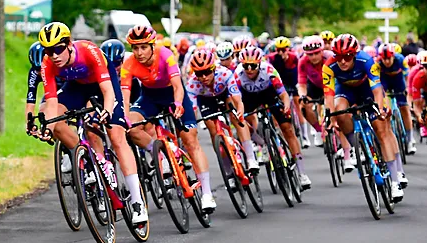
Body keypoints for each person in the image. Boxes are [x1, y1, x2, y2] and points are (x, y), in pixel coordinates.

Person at [37, 22, 148, 223]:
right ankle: (86, 158)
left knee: (116, 135)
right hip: (77, 87)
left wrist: (107, 111)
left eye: (58, 49)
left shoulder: (89, 51)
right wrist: (48, 128)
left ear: (69, 44)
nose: (54, 55)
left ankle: (137, 201)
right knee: (56, 120)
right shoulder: (47, 64)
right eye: (48, 50)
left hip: (103, 84)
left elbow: (107, 91)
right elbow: (52, 104)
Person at [122, 25, 218, 212]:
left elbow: (177, 86)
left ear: (151, 45)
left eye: (143, 47)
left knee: (190, 139)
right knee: (132, 128)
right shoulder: (129, 64)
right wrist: (124, 117)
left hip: (173, 94)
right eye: (135, 48)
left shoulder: (165, 54)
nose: (139, 52)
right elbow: (125, 96)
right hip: (149, 97)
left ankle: (206, 193)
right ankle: (160, 154)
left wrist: (178, 104)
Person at [323, 34, 406, 201]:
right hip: (345, 90)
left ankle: (395, 181)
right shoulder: (329, 66)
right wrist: (330, 118)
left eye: (347, 56)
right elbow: (329, 97)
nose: (343, 61)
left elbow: (377, 89)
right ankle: (356, 147)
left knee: (381, 130)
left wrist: (380, 109)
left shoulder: (366, 60)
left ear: (354, 54)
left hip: (367, 88)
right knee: (339, 111)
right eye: (339, 57)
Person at [235, 46, 312, 189]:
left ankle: (302, 173)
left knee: (287, 129)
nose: (250, 69)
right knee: (240, 123)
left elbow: (283, 94)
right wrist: (240, 114)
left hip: (270, 94)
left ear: (259, 63)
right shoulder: (238, 74)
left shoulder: (269, 71)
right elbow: (238, 100)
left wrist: (287, 106)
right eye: (246, 65)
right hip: (249, 98)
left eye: (253, 65)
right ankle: (261, 143)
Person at [186, 49, 260, 173]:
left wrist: (240, 110)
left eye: (207, 72)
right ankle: (228, 170)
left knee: (236, 117)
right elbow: (192, 111)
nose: (204, 77)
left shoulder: (224, 73)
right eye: (199, 73)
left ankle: (251, 158)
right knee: (213, 130)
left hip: (225, 94)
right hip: (206, 100)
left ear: (214, 68)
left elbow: (237, 99)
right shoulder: (192, 84)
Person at [297, 36, 356, 171]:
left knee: (337, 114)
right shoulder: (303, 62)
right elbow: (301, 83)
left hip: (333, 85)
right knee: (303, 106)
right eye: (310, 54)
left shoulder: (329, 57)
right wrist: (302, 95)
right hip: (315, 87)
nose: (313, 57)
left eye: (317, 53)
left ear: (322, 50)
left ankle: (347, 156)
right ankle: (319, 130)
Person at [266, 36, 310, 148]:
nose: (281, 53)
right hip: (280, 83)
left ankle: (305, 137)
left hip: (293, 82)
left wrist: (300, 85)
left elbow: (301, 72)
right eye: (278, 50)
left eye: (283, 50)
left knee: (298, 104)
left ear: (288, 49)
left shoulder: (294, 57)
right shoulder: (272, 58)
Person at [377, 43, 417, 155]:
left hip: (398, 80)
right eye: (384, 59)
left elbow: (407, 76)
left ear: (393, 56)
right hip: (385, 80)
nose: (387, 61)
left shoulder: (400, 60)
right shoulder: (377, 63)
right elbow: (376, 82)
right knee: (383, 105)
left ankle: (410, 139)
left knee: (404, 107)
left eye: (389, 58)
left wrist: (408, 89)